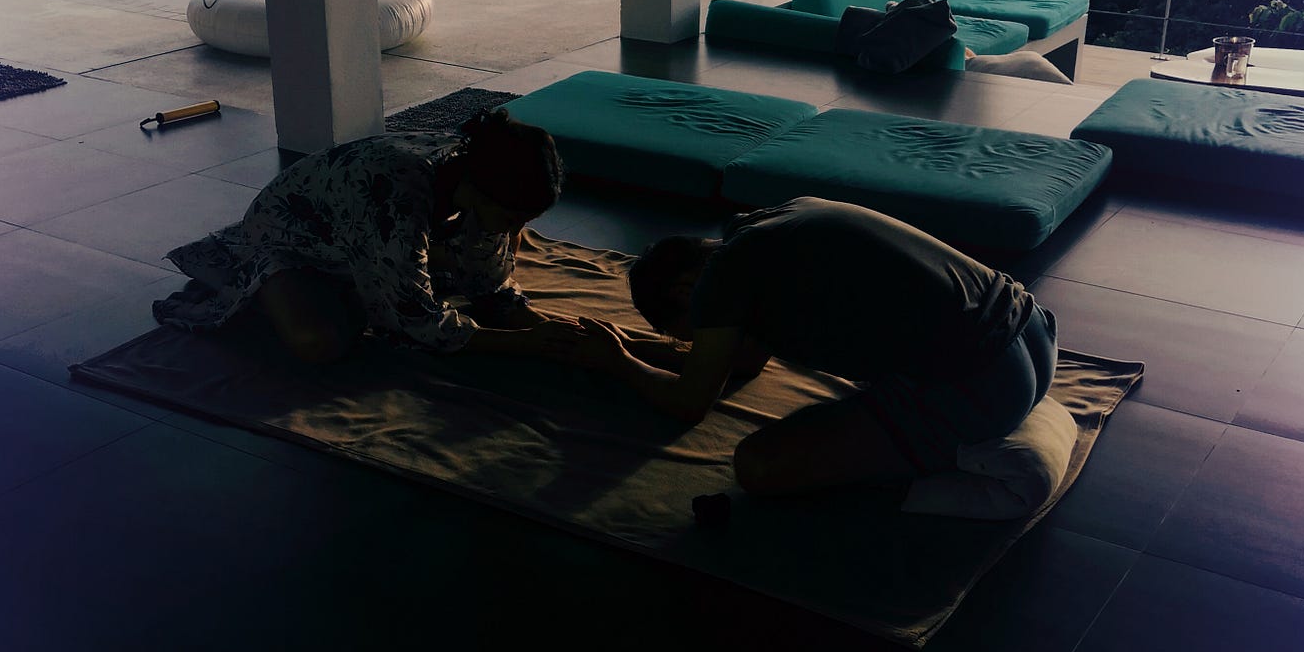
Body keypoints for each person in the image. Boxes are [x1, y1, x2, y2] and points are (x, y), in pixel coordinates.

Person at [576, 196, 1058, 497]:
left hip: (981, 387)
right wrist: (634, 344)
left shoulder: (720, 282)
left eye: (692, 331)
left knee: (759, 465)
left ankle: (954, 467)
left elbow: (689, 403)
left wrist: (616, 361)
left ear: (686, 292)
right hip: (1034, 331)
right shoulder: (771, 221)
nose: (701, 338)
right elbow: (745, 361)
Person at [153, 108, 586, 364]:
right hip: (290, 244)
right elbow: (414, 321)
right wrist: (519, 344)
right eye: (509, 217)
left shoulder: (476, 175)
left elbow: (490, 287)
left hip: (362, 235)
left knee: (457, 261)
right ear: (479, 189)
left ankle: (362, 282)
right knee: (319, 343)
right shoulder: (395, 194)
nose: (513, 232)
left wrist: (548, 329)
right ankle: (274, 289)